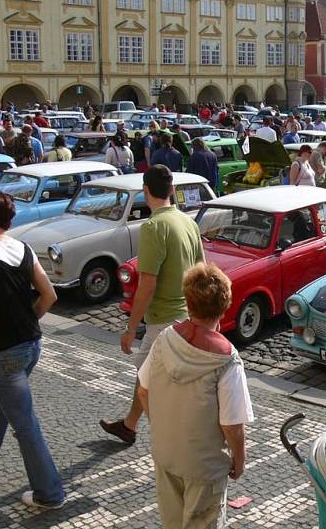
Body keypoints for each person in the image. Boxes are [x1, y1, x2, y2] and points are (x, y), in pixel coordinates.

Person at [138, 263, 253, 528]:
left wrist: (163, 427)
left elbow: (144, 391)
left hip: (166, 453)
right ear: (224, 307)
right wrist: (239, 459)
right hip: (204, 465)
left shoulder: (164, 339)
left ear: (188, 302)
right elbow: (231, 424)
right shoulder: (226, 360)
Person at [100, 165, 204, 444]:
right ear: (172, 190)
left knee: (152, 383)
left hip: (163, 321)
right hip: (183, 316)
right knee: (151, 378)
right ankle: (130, 425)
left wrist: (131, 327)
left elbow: (147, 283)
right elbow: (201, 272)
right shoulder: (189, 223)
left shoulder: (154, 226)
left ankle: (172, 443)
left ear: (145, 191)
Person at [0, 191, 65, 509]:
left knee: (24, 423)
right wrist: (26, 324)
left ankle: (50, 493)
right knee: (2, 409)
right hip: (33, 344)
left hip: (2, 353)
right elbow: (49, 296)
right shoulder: (23, 247)